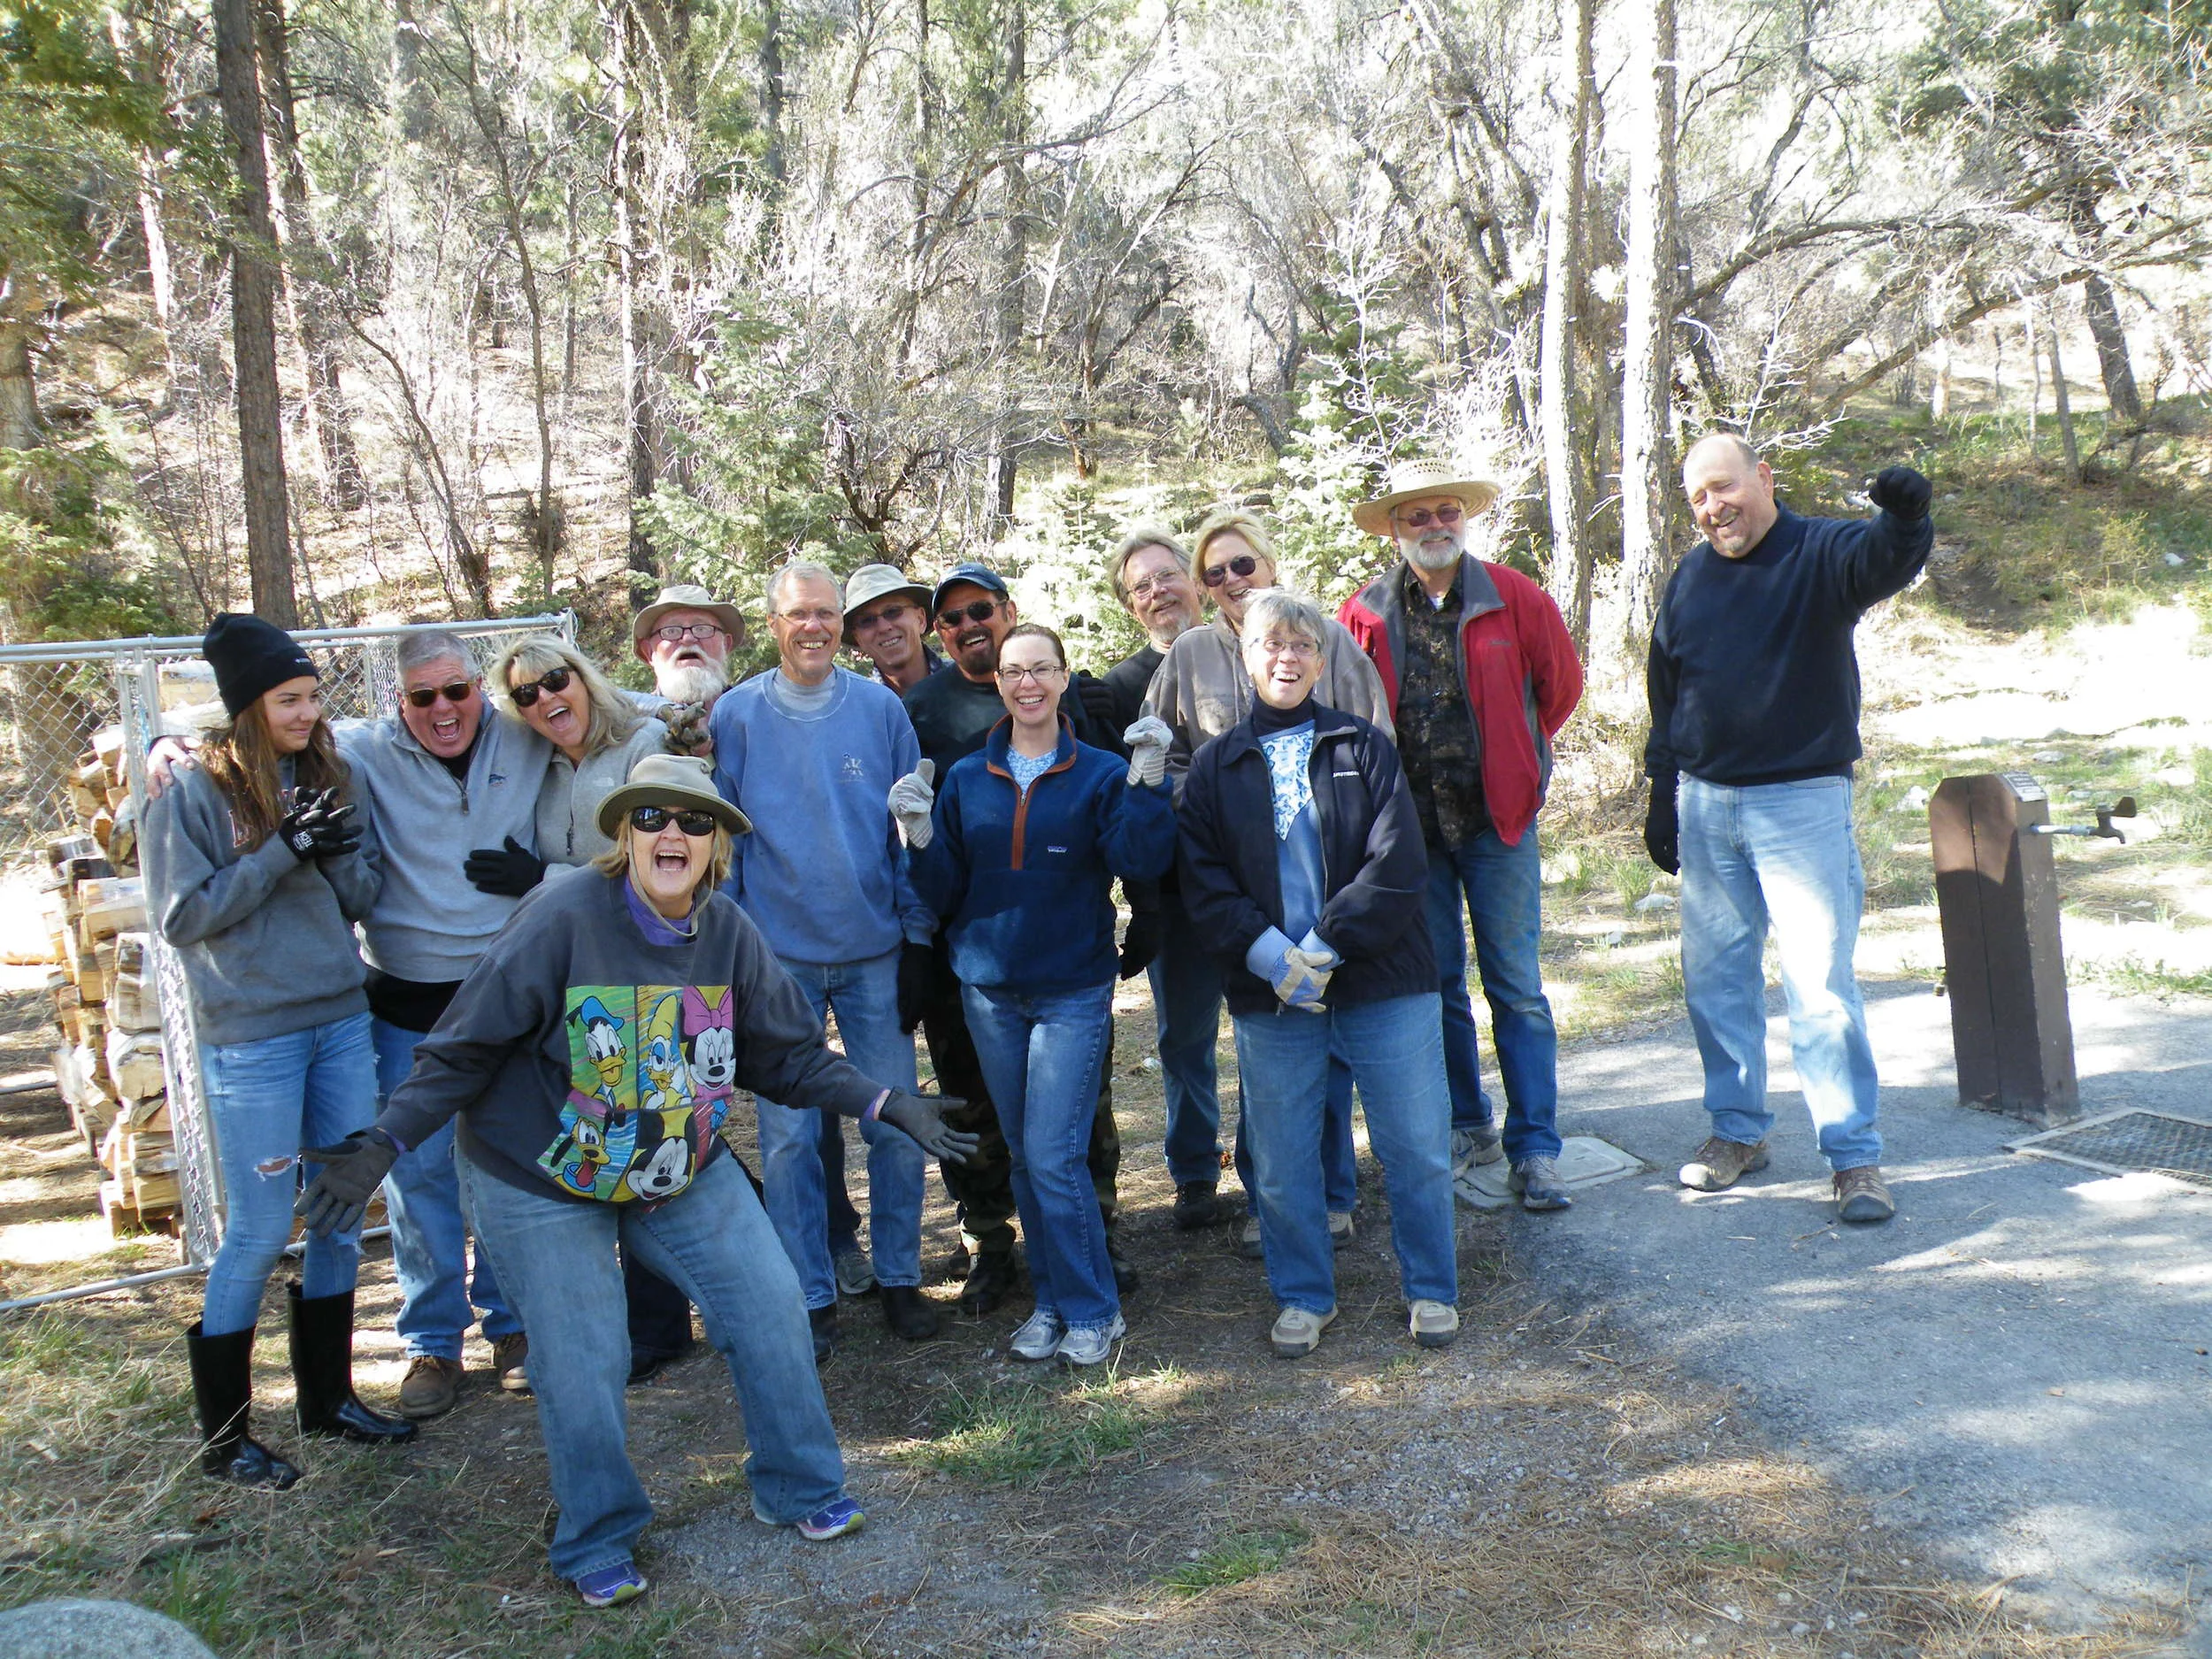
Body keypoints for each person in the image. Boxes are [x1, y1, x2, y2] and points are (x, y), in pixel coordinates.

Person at [293, 753, 977, 1609]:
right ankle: (598, 1532)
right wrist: (383, 1143)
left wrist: (885, 1101)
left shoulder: (728, 931)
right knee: (585, 1358)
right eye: (651, 816)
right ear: (624, 834)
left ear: (717, 845)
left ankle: (798, 1484)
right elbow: (464, 1046)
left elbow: (786, 1058)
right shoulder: (563, 915)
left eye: (694, 820)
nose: (671, 832)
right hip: (542, 1177)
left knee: (772, 1306)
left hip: (675, 1164)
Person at [142, 614, 416, 1488]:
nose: (306, 714)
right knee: (261, 1230)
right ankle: (227, 1440)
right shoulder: (191, 792)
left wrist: (328, 855)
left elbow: (361, 894)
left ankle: (328, 1401)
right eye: (287, 700)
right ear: (247, 707)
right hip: (252, 1036)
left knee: (339, 1207)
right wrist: (277, 852)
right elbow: (183, 916)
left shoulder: (330, 773)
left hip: (339, 1021)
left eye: (311, 697)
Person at [1643, 436, 1934, 1225]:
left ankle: (1853, 1156)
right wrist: (1662, 789)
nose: (1713, 507)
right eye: (1698, 497)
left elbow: (1884, 560)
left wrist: (1907, 519)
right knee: (1716, 981)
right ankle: (1737, 1132)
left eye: (1724, 487)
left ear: (1764, 478)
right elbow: (1666, 687)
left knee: (1820, 987)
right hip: (1707, 802)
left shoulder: (1821, 552)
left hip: (1801, 802)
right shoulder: (1691, 576)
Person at [1177, 592, 1458, 1359]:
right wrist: (1274, 956)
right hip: (1271, 991)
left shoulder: (1362, 746)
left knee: (1417, 1144)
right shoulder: (1214, 766)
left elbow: (1397, 864)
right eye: (1271, 644)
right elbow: (1204, 883)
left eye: (1302, 645)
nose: (1287, 658)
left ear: (1321, 659)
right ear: (1246, 657)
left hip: (1381, 976)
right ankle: (1304, 1294)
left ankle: (1431, 1287)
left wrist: (1324, 945)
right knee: (1281, 1161)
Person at [899, 625, 1176, 1365]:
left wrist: (1148, 785)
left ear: (1061, 679)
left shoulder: (1099, 771)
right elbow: (942, 890)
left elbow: (1140, 854)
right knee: (1024, 1156)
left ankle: (1095, 1309)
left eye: (1042, 669)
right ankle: (1052, 1300)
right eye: (1015, 670)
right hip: (989, 991)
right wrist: (918, 835)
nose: (1028, 682)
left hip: (1071, 989)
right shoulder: (966, 778)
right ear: (999, 682)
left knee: (1054, 1154)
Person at [1340, 458, 1585, 1212]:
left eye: (1447, 511)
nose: (1435, 525)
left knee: (1517, 986)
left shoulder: (1515, 596)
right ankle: (1466, 1123)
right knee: (1438, 981)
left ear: (1464, 518)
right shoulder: (1362, 615)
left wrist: (1518, 758)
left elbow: (1560, 687)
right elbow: (1349, 712)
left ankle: (1535, 1147)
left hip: (1497, 824)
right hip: (1409, 833)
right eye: (1417, 515)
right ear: (1394, 529)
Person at [1145, 511, 1391, 1255]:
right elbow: (1157, 752)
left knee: (1322, 1023)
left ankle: (1334, 1190)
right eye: (1214, 572)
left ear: (1270, 563)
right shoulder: (1189, 653)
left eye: (1243, 564)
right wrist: (1208, 807)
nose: (1231, 580)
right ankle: (1269, 1196)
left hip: (1320, 873)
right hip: (1228, 879)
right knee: (1262, 1036)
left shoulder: (1325, 637)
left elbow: (1374, 737)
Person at [710, 563, 941, 1355]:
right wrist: (735, 953)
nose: (813, 627)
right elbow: (727, 849)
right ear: (774, 623)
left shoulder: (880, 710)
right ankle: (808, 1293)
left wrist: (915, 940)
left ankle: (901, 1276)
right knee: (790, 1139)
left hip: (874, 952)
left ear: (841, 623)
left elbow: (908, 832)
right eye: (797, 614)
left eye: (826, 613)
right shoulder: (737, 715)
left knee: (896, 1123)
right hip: (778, 962)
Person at [346, 631, 549, 1417]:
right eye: (423, 696)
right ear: (398, 701)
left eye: (458, 691)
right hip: (409, 1000)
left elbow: (618, 707)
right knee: (419, 1174)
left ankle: (512, 1324)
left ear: (479, 689)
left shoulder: (524, 732)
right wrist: (166, 745)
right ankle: (432, 1343)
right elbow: (273, 731)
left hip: (504, 993)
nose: (443, 710)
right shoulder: (366, 751)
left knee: (505, 1163)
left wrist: (694, 709)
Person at [481, 633, 692, 1382]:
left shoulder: (642, 744)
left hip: (642, 970)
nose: (544, 698)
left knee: (648, 1135)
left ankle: (660, 1325)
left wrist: (539, 877)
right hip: (568, 980)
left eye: (554, 680)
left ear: (583, 677)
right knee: (600, 1138)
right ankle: (621, 1319)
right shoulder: (535, 767)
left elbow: (657, 858)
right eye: (525, 694)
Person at [1094, 526, 1225, 1228]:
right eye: (1140, 586)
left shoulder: (1250, 650)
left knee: (1276, 1030)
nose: (1157, 591)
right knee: (1184, 1039)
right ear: (1130, 605)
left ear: (1193, 579)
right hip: (1177, 894)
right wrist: (1142, 906)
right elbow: (1123, 803)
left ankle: (1277, 1166)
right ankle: (1196, 1171)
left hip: (1262, 886)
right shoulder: (1120, 687)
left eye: (1166, 575)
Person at [632, 583, 745, 756]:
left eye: (702, 629)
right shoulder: (632, 728)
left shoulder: (753, 717)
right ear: (649, 652)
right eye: (671, 631)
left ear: (726, 645)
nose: (688, 639)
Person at [844, 564, 945, 694]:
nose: (883, 627)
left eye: (892, 612)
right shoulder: (859, 703)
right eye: (867, 621)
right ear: (858, 638)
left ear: (920, 620)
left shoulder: (966, 682)